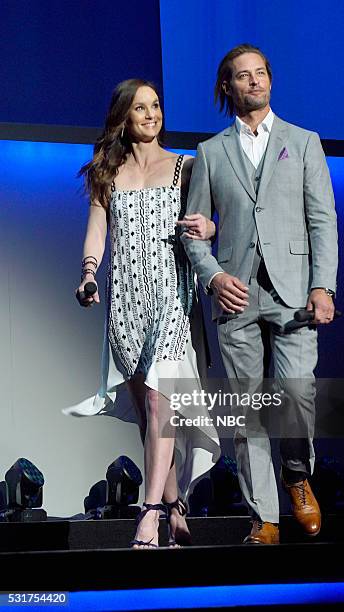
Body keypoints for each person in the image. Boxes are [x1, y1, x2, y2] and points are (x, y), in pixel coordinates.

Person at [181, 44, 338, 544]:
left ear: (270, 79)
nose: (254, 82)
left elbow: (322, 220)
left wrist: (323, 285)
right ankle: (264, 517)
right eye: (242, 76)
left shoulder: (304, 141)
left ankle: (296, 474)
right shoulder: (209, 152)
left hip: (294, 291)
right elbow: (192, 231)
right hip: (236, 293)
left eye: (261, 73)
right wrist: (212, 276)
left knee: (297, 393)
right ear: (227, 87)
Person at [65, 79, 220, 548]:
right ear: (123, 117)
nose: (151, 114)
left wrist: (209, 225)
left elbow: (216, 218)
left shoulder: (186, 168)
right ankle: (174, 508)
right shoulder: (107, 174)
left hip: (174, 294)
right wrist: (89, 274)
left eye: (155, 106)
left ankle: (148, 513)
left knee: (159, 401)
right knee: (149, 413)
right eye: (140, 107)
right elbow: (97, 230)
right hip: (126, 300)